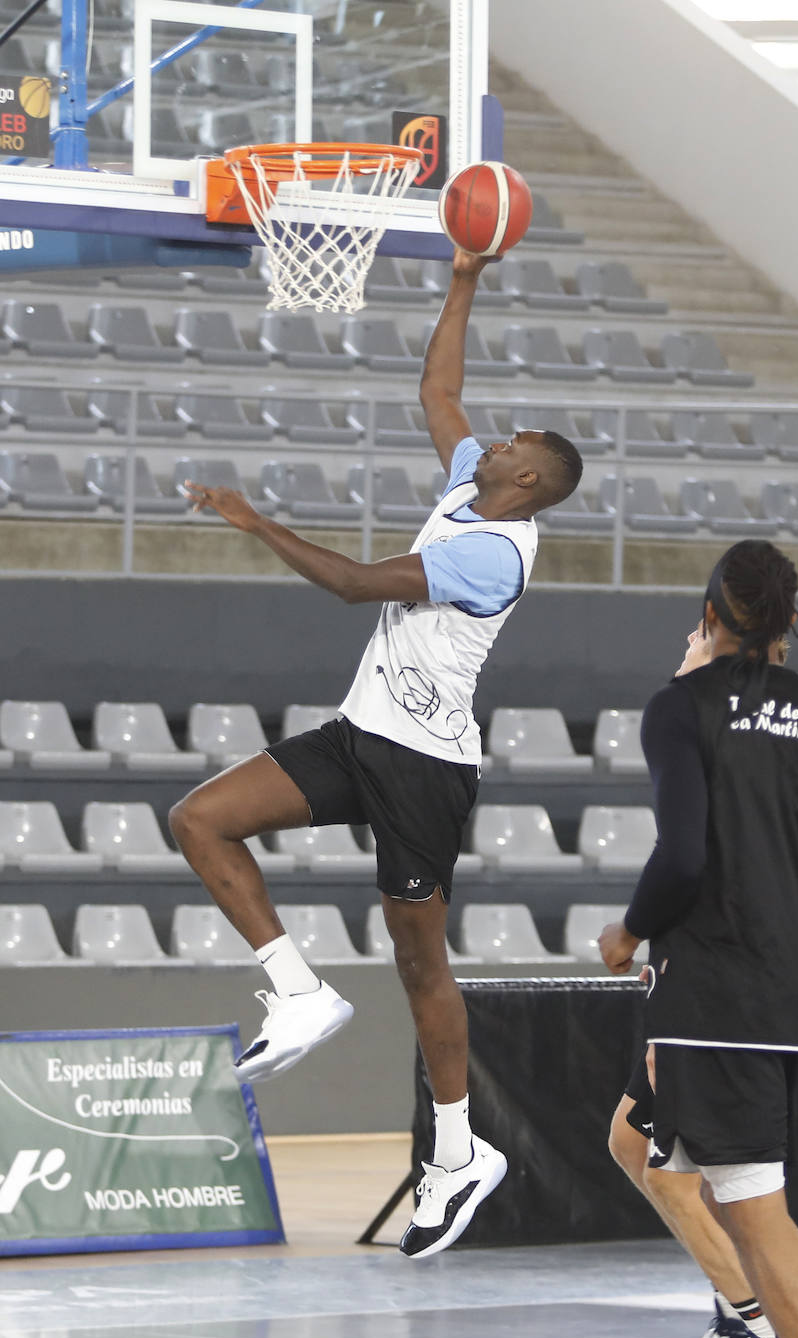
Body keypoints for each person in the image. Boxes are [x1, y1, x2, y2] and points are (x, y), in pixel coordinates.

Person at [170, 245, 583, 1260]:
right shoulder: (467, 487)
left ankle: (456, 1155)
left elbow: (358, 585)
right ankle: (299, 990)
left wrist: (252, 518)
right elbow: (437, 387)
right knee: (198, 817)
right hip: (362, 736)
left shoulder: (490, 553)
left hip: (426, 772)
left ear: (524, 479)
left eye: (511, 441)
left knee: (417, 963)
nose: (491, 437)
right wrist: (463, 278)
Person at [599, 540, 798, 1338]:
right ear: (788, 621)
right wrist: (778, 912)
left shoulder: (681, 706)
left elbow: (681, 858)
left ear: (710, 615)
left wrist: (629, 933)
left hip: (716, 1001)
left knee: (757, 1216)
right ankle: (747, 1329)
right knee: (690, 1170)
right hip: (794, 999)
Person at [610, 620, 790, 1338]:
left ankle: (771, 1332)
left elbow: (690, 865)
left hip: (716, 984)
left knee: (668, 1170)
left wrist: (638, 940)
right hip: (717, 973)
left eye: (696, 631)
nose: (681, 639)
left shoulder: (699, 732)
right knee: (630, 1141)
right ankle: (737, 1318)